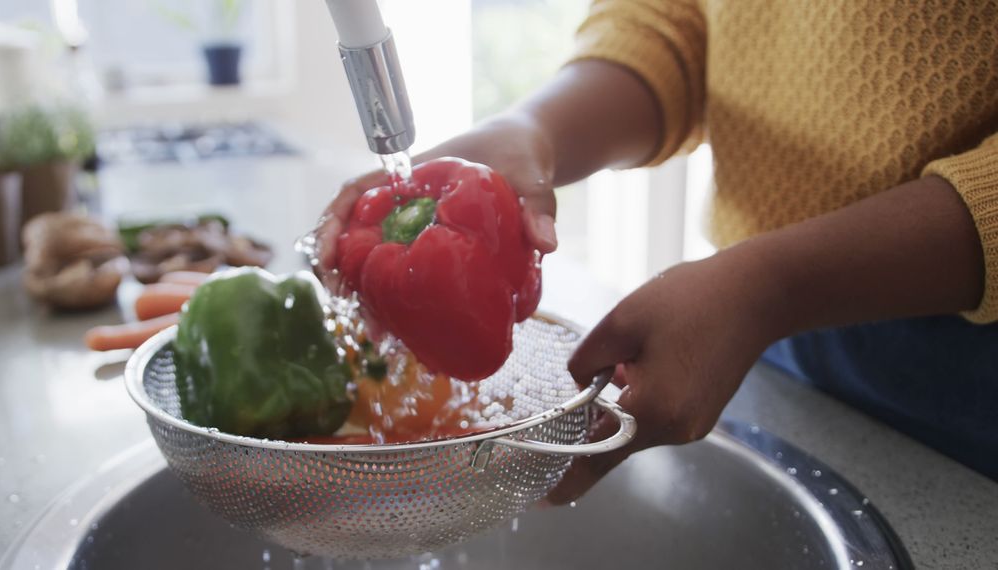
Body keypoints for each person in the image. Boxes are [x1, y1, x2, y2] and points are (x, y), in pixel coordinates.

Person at [315, 1, 998, 501]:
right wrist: (534, 129)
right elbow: (676, 19)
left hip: (968, 376)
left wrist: (770, 286)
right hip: (769, 336)